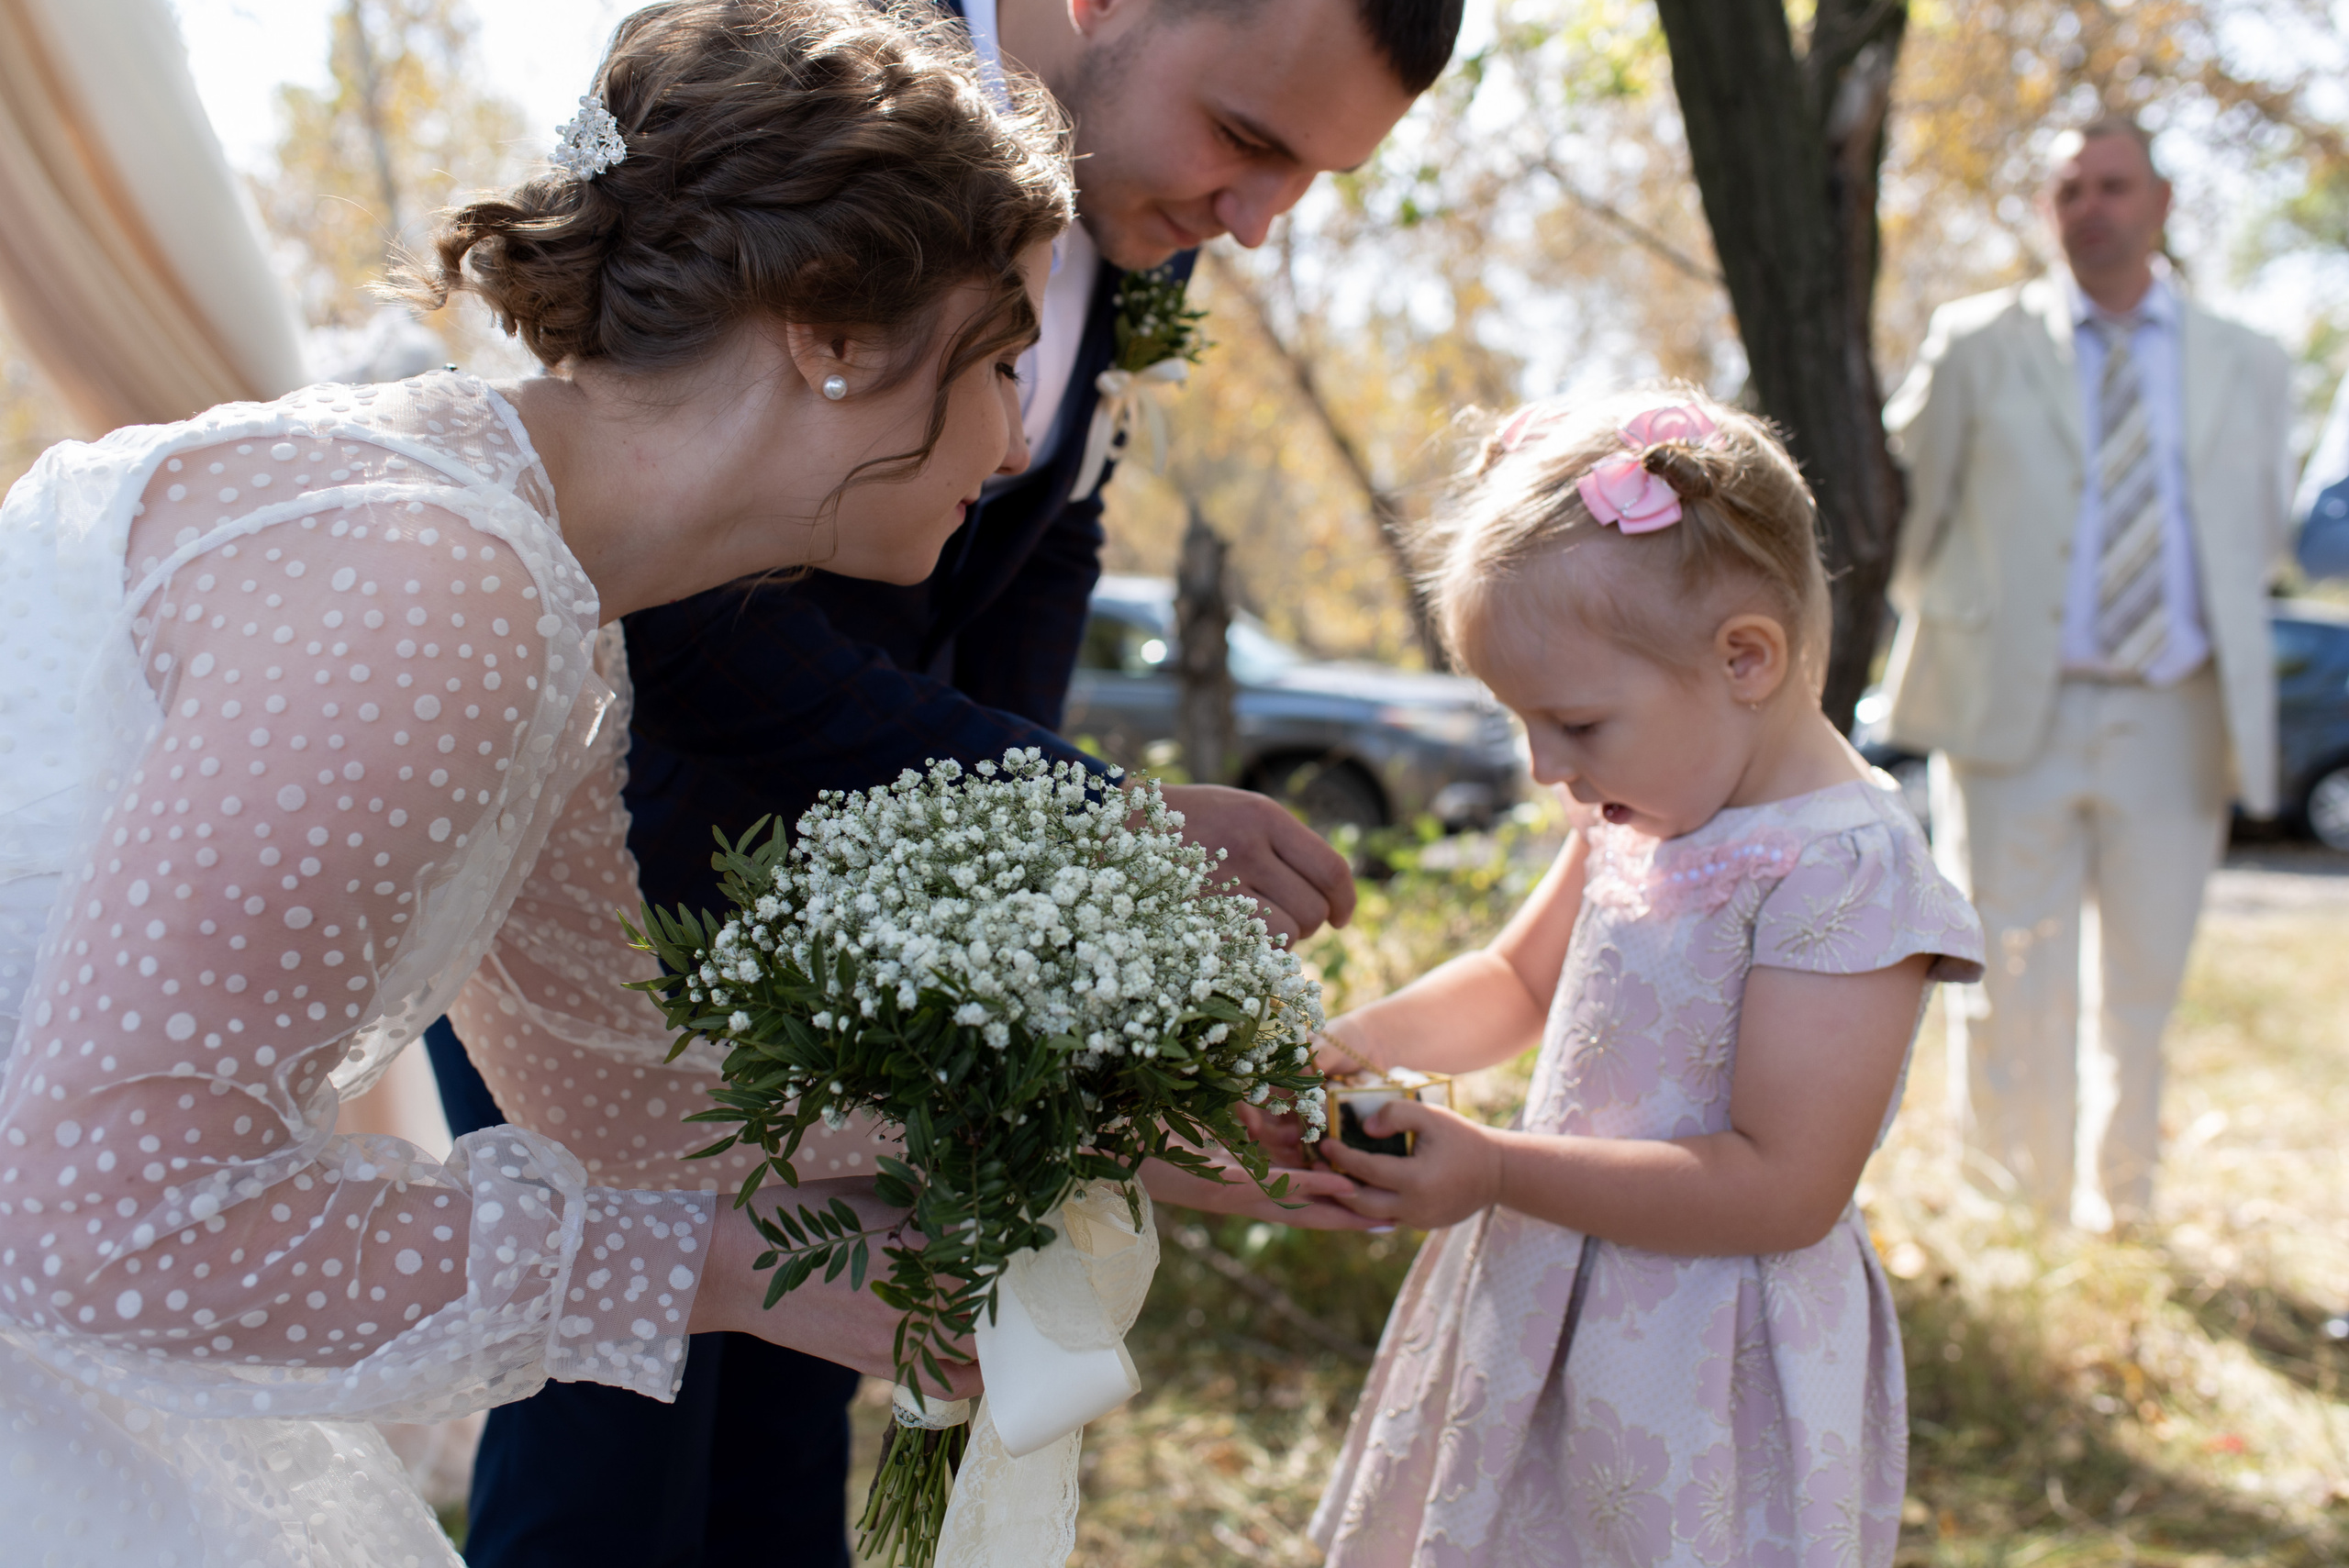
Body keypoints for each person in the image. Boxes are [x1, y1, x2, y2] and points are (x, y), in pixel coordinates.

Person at [0, 4, 1091, 1561]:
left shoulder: (546, 595)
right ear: (834, 332)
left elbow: (608, 1083)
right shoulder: (436, 585)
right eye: (998, 358)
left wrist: (1047, 1113)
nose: (1007, 437)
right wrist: (717, 1266)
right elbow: (101, 1225)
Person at [433, 0, 1464, 1560]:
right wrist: (1079, 808)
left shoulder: (1138, 204)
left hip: (865, 900)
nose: (1255, 222)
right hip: (615, 873)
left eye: (1310, 178)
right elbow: (682, 608)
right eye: (1250, 140)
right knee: (613, 1429)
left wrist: (1019, 892)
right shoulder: (804, 97)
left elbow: (1042, 536)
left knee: (801, 1375)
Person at [1292, 390, 1985, 1563]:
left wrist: (1501, 1165)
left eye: (1572, 721)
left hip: (1709, 1359)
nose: (1543, 766)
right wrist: (1348, 1045)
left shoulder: (1845, 870)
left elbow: (1782, 1187)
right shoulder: (1640, 809)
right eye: (1521, 721)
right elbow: (1517, 982)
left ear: (1745, 657)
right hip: (1547, 1286)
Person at [1878, 116, 2294, 1231]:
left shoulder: (2248, 359)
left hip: (2176, 713)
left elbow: (2259, 536)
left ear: (2159, 203)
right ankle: (2014, 1218)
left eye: (2112, 186)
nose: (2089, 209)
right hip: (2010, 708)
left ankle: (2126, 1211)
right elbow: (1907, 506)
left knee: (2142, 985)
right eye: (2067, 191)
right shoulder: (1974, 341)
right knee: (2005, 978)